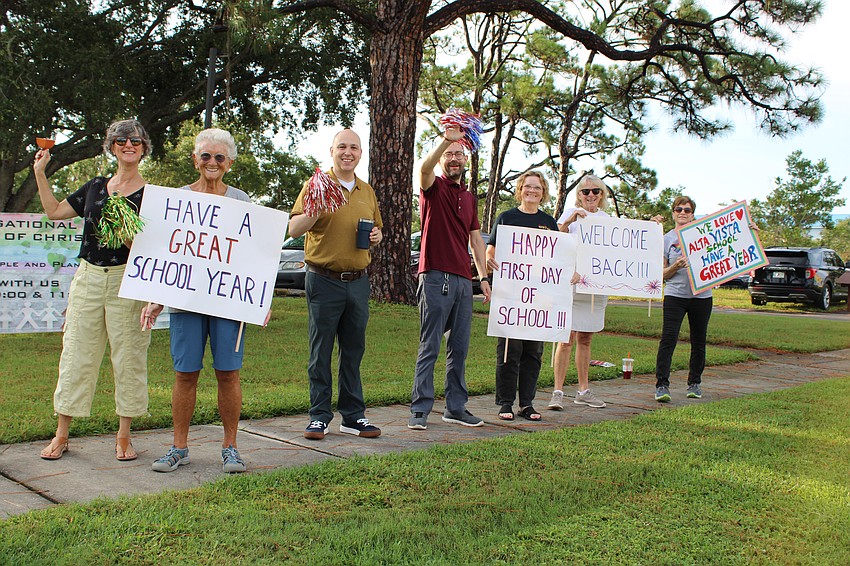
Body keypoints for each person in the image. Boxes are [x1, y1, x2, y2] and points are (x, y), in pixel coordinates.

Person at [32, 119, 152, 461]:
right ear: (111, 147)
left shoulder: (152, 197)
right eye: (121, 140)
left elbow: (149, 250)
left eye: (135, 140)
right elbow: (54, 213)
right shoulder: (96, 186)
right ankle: (61, 434)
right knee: (76, 354)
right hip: (87, 277)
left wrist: (125, 229)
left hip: (126, 279)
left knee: (128, 356)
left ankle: (124, 436)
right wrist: (41, 173)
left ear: (143, 148)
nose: (128, 144)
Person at [144, 128, 260, 473]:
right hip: (185, 304)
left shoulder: (241, 201)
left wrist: (258, 298)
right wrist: (155, 299)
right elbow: (166, 254)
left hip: (228, 303)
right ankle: (179, 447)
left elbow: (253, 256)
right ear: (195, 159)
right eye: (205, 156)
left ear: (230, 163)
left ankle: (231, 447)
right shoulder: (178, 199)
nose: (212, 162)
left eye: (219, 157)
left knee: (228, 374)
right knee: (184, 375)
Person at [288, 129, 383, 440]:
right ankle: (319, 416)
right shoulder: (316, 185)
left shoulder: (367, 191)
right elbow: (292, 228)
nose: (348, 152)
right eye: (342, 146)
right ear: (331, 151)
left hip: (358, 281)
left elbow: (377, 230)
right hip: (323, 279)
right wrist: (315, 210)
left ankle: (353, 416)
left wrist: (377, 236)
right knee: (321, 351)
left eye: (354, 147)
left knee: (353, 351)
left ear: (360, 154)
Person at [408, 126, 492, 430]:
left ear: (465, 160)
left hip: (462, 281)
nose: (454, 157)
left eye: (458, 153)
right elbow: (424, 167)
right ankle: (420, 409)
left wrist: (482, 277)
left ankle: (455, 408)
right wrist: (448, 138)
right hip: (434, 277)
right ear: (442, 159)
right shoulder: (433, 187)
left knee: (459, 347)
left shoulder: (469, 197)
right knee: (430, 344)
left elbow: (476, 240)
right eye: (449, 154)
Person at [485, 171, 559, 421]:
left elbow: (556, 257)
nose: (532, 191)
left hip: (539, 297)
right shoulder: (506, 218)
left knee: (533, 351)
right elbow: (491, 249)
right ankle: (505, 402)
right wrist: (488, 258)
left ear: (543, 192)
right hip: (511, 295)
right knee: (509, 350)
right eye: (527, 186)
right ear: (520, 190)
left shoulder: (549, 222)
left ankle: (527, 403)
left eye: (537, 187)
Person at [548, 174, 611, 411]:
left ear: (602, 194)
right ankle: (557, 392)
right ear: (579, 195)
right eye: (586, 192)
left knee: (586, 338)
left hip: (595, 288)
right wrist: (571, 218)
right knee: (566, 339)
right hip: (570, 285)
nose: (591, 195)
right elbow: (553, 240)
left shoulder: (607, 219)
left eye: (596, 191)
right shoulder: (569, 215)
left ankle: (583, 390)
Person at [653, 196, 712, 402]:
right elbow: (661, 274)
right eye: (679, 209)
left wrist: (750, 232)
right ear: (673, 213)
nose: (683, 213)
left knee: (699, 341)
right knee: (668, 339)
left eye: (687, 210)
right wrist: (675, 266)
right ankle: (662, 385)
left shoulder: (706, 236)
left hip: (702, 296)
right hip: (675, 295)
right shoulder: (667, 239)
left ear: (693, 214)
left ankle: (694, 383)